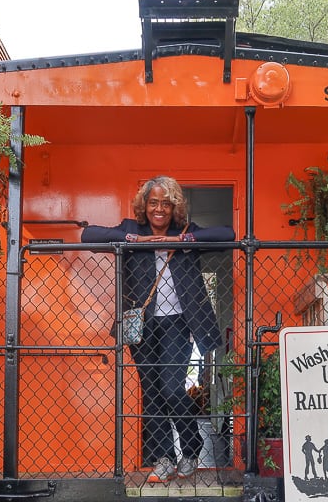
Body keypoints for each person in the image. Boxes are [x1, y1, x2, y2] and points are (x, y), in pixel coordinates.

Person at [81, 176, 235, 483]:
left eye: (166, 203)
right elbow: (88, 234)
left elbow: (228, 233)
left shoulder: (187, 232)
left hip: (178, 323)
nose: (159, 209)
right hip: (141, 324)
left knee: (170, 388)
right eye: (153, 202)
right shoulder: (130, 229)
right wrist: (135, 241)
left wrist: (180, 242)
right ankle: (164, 458)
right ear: (144, 205)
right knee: (151, 391)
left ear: (174, 206)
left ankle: (191, 448)